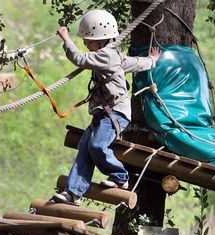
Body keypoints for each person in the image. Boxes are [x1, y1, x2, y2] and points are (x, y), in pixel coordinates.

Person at [53, 9, 160, 206]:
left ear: (100, 40)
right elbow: (134, 63)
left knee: (96, 145)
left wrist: (66, 39)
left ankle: (120, 176)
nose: (84, 43)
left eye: (87, 39)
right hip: (103, 112)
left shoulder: (106, 56)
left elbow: (80, 59)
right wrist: (152, 60)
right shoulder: (112, 56)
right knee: (85, 148)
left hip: (115, 112)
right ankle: (73, 193)